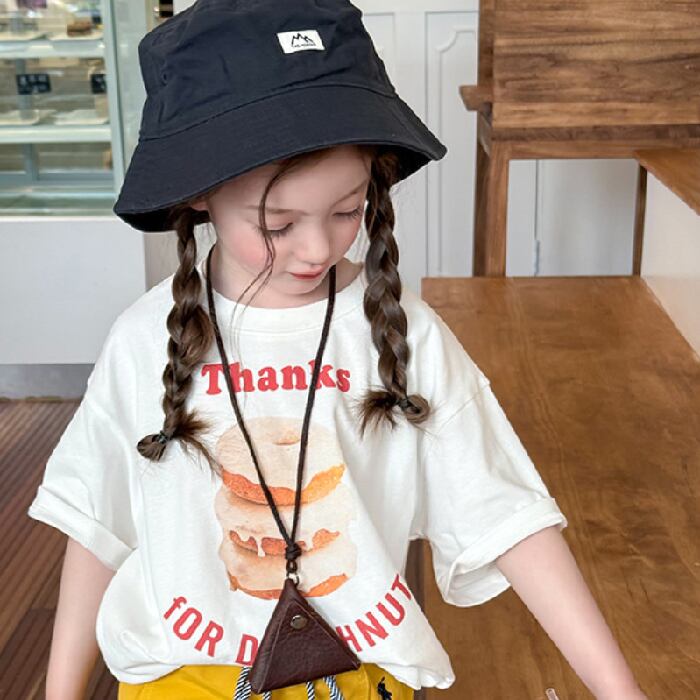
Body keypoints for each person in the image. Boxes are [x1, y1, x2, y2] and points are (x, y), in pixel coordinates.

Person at [27, 1, 572, 699]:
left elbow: (509, 515)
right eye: (277, 223)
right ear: (199, 195)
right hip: (182, 681)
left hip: (358, 676)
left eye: (347, 211)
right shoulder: (143, 339)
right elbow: (97, 523)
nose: (317, 248)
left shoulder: (404, 334)